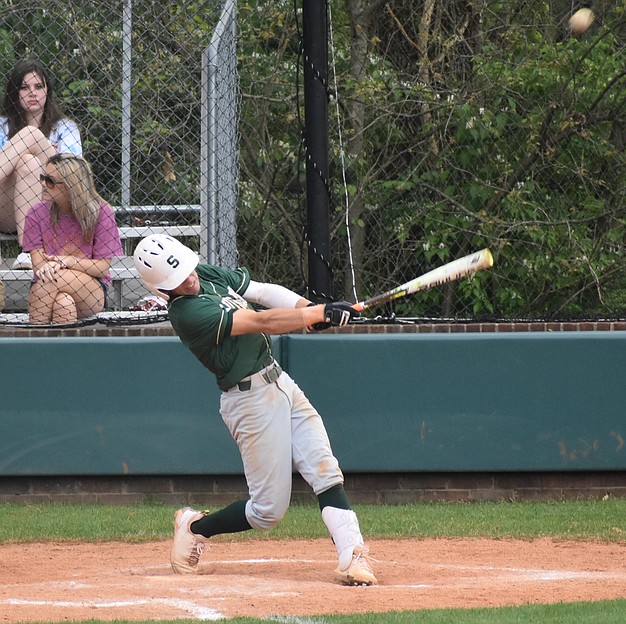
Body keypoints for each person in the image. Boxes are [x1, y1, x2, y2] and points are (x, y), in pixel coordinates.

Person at [132, 234, 377, 586]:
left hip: (279, 381)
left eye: (186, 269)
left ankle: (353, 556)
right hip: (249, 401)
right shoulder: (187, 313)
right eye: (177, 280)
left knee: (325, 469)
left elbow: (262, 292)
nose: (188, 278)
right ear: (161, 291)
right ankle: (195, 528)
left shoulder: (203, 274)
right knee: (268, 512)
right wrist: (317, 313)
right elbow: (260, 321)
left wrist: (306, 308)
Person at [22, 154, 122, 325]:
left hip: (90, 288)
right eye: (43, 177)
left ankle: (33, 346)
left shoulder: (101, 211)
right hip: (47, 281)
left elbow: (102, 268)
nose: (43, 185)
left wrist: (65, 261)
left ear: (71, 186)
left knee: (50, 282)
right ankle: (60, 351)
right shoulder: (35, 213)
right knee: (64, 303)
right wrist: (54, 267)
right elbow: (39, 267)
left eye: (50, 181)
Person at [0, 58, 82, 248]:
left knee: (30, 153)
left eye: (38, 86)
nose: (32, 93)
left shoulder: (65, 128)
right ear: (15, 92)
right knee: (29, 160)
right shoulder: (2, 127)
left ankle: (27, 251)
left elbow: (77, 177)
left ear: (47, 91)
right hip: (5, 209)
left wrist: (37, 146)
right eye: (24, 87)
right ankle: (29, 251)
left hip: (54, 207)